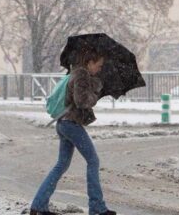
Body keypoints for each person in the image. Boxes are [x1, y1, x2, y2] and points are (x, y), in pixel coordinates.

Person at [30, 47, 116, 215]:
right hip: (71, 124)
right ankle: (97, 207)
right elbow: (82, 101)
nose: (99, 69)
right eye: (98, 66)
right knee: (93, 161)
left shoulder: (77, 73)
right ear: (90, 62)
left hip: (63, 123)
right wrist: (96, 91)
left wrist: (94, 84)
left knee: (61, 165)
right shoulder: (81, 74)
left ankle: (38, 205)